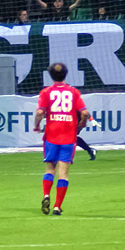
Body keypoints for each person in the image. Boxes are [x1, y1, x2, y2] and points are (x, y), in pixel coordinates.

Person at [34, 62, 90, 216]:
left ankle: (46, 195)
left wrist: (37, 125)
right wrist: (82, 123)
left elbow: (39, 112)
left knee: (49, 169)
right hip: (68, 137)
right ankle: (57, 207)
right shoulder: (73, 92)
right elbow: (84, 113)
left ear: (50, 75)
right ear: (66, 74)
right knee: (63, 173)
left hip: (51, 135)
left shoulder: (46, 92)